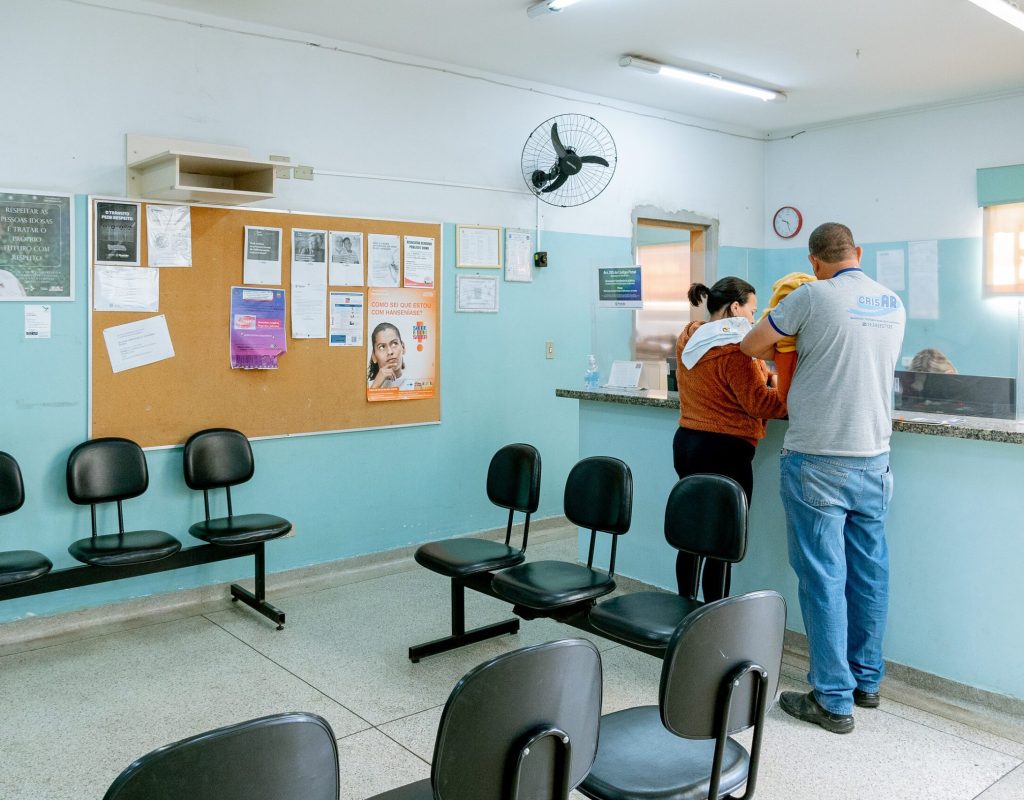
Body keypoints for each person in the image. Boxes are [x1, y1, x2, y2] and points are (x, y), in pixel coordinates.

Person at [741, 222, 906, 734]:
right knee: (870, 573)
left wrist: (786, 339)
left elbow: (751, 345)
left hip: (818, 459)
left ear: (814, 261)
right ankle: (866, 681)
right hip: (874, 458)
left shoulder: (810, 297)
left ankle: (833, 699)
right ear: (858, 252)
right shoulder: (891, 302)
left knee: (823, 578)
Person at [673, 276, 787, 603]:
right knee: (722, 540)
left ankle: (684, 607)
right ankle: (713, 615)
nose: (753, 319)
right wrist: (792, 397)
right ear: (735, 307)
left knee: (692, 533)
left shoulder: (689, 337)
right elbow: (758, 403)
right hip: (726, 451)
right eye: (751, 310)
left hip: (688, 444)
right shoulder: (737, 348)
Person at [760, 271, 816, 404]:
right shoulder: (812, 306)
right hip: (797, 353)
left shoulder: (773, 316)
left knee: (787, 396)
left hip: (784, 352)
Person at [368, 322, 406, 388]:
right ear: (374, 356)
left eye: (394, 343)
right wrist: (375, 386)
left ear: (403, 347)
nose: (390, 352)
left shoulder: (416, 383)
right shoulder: (365, 387)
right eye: (382, 347)